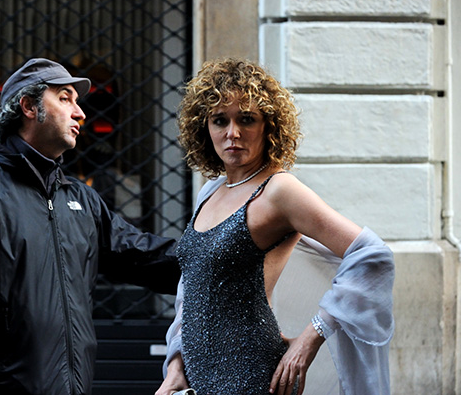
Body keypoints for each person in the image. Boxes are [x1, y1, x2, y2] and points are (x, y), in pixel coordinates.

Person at [0, 57, 180, 395]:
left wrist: (226, 248)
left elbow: (143, 257)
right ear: (29, 107)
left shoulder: (80, 199)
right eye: (65, 98)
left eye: (77, 101)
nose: (80, 113)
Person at [155, 58, 395, 395]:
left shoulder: (280, 191)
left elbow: (373, 255)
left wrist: (312, 336)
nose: (232, 133)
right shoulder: (210, 191)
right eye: (220, 120)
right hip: (198, 378)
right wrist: (176, 366)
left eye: (246, 119)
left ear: (269, 126)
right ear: (203, 128)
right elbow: (192, 290)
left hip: (252, 376)